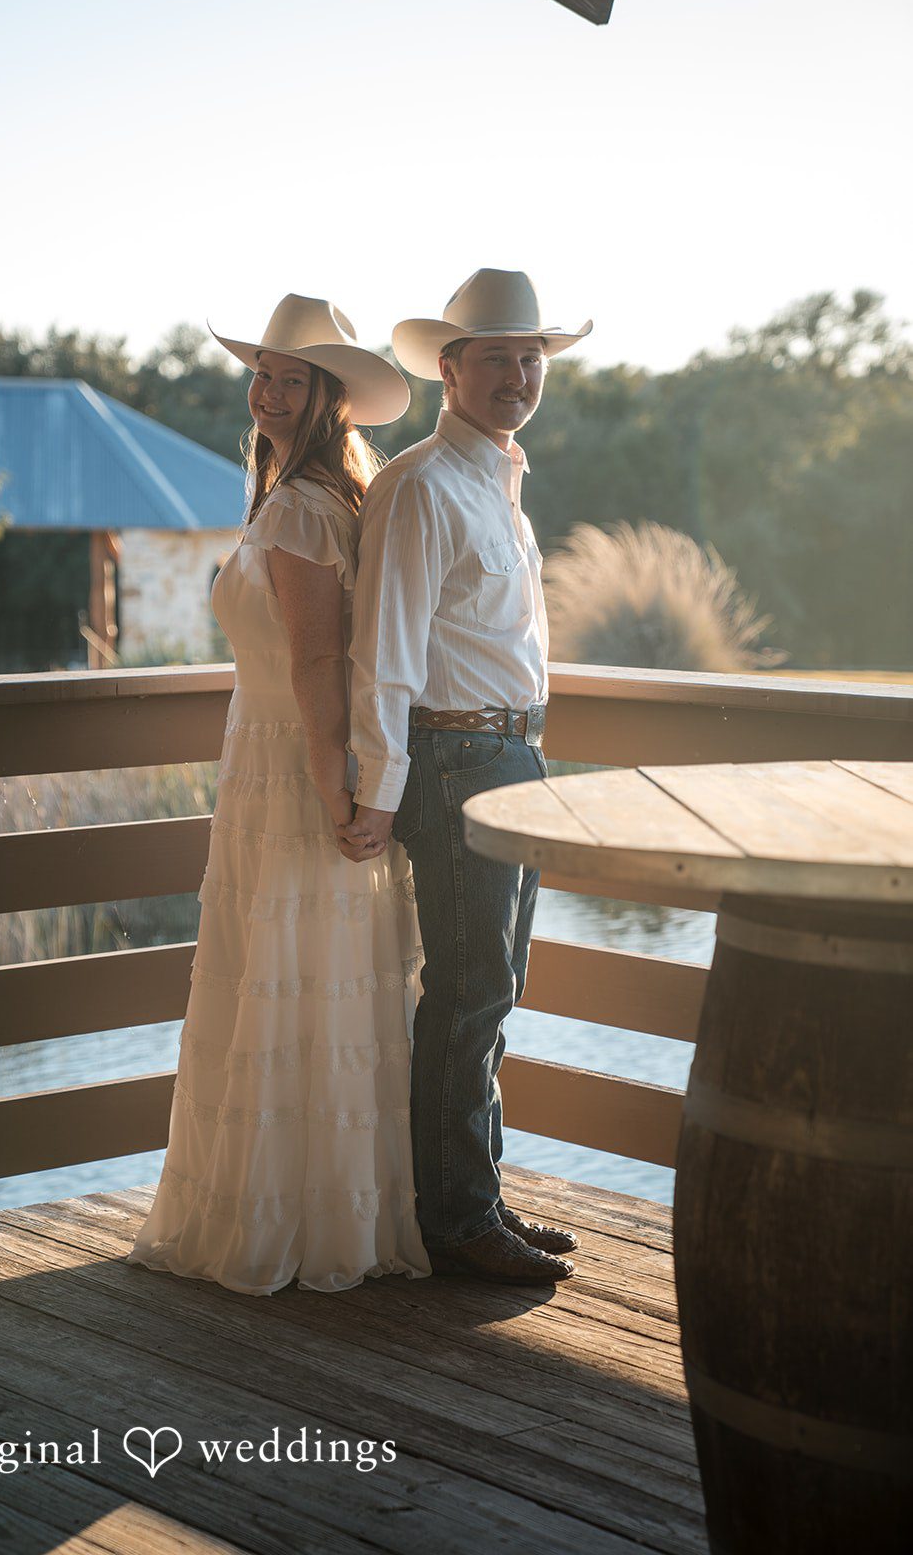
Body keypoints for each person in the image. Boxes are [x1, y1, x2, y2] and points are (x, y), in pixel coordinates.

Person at [127, 293, 430, 1294]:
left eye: (287, 377)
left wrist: (329, 785)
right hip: (269, 755)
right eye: (259, 371)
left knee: (295, 971)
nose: (265, 390)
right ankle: (305, 1211)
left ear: (328, 395)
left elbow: (315, 661)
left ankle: (295, 1225)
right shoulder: (299, 492)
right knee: (285, 974)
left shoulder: (304, 505)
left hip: (295, 761)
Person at [340, 268, 593, 1285]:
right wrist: (381, 789)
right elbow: (385, 652)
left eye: (530, 357)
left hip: (512, 755)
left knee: (495, 986)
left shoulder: (498, 480)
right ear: (448, 367)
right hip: (450, 761)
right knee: (466, 989)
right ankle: (453, 1220)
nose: (518, 374)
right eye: (496, 357)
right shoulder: (418, 486)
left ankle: (473, 1192)